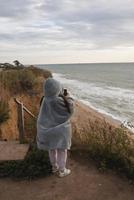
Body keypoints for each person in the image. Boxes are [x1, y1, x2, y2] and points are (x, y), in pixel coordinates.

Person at [36, 78, 74, 178]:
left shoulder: (44, 99)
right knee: (62, 150)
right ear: (58, 89)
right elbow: (71, 109)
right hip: (61, 131)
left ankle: (54, 167)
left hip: (47, 131)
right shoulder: (60, 100)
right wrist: (68, 96)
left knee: (51, 149)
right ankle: (62, 170)